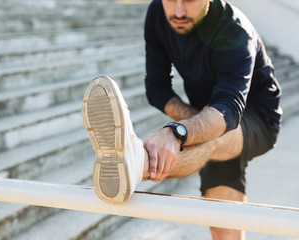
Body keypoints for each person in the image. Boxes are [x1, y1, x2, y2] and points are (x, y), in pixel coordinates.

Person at [82, 0, 282, 239]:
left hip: (258, 116)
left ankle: (137, 164)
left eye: (189, 0)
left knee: (214, 138)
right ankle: (136, 161)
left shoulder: (234, 31)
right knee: (222, 227)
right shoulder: (158, 13)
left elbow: (229, 109)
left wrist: (177, 132)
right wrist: (195, 123)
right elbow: (157, 88)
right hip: (206, 113)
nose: (178, 11)